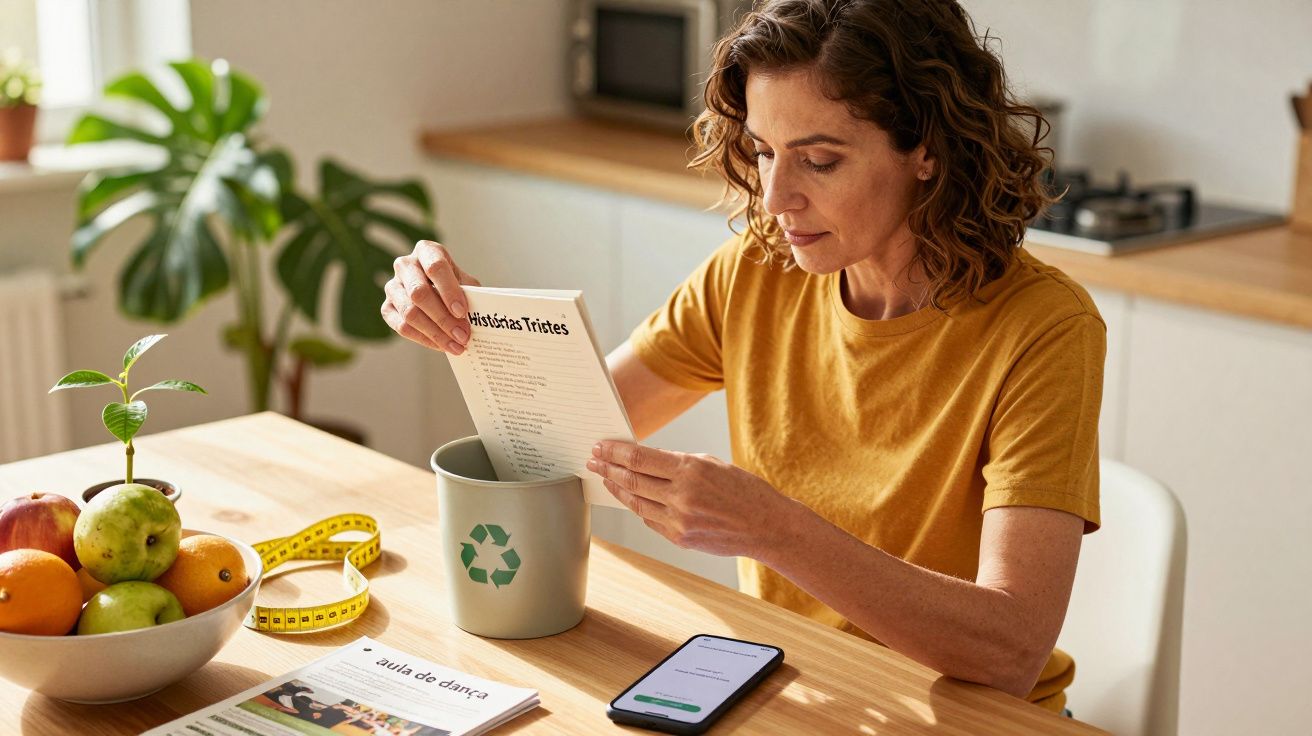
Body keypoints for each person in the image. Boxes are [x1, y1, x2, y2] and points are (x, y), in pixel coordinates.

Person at [382, 0, 1103, 715]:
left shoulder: (1044, 327)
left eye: (820, 160)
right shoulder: (756, 272)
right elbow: (563, 440)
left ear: (928, 151)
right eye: (763, 151)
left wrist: (774, 529)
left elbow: (1010, 649)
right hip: (796, 687)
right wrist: (468, 324)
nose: (776, 196)